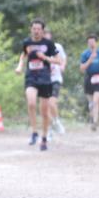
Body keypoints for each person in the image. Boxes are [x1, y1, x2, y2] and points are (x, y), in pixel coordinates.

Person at [15, 19, 58, 151]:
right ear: (31, 29)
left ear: (42, 30)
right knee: (31, 103)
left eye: (39, 29)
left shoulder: (49, 44)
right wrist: (20, 66)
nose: (36, 31)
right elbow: (23, 55)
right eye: (34, 28)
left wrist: (45, 58)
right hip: (31, 77)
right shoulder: (27, 42)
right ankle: (34, 132)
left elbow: (58, 60)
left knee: (44, 112)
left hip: (45, 78)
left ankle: (44, 137)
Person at [80, 34, 99, 131]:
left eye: (93, 41)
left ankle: (95, 121)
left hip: (98, 78)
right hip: (88, 78)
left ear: (96, 42)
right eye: (89, 42)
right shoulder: (85, 54)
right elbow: (82, 69)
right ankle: (93, 118)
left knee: (96, 100)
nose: (91, 43)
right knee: (91, 102)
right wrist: (90, 60)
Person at [43, 29, 67, 138]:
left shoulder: (57, 46)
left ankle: (56, 121)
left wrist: (62, 66)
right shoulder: (40, 48)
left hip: (56, 79)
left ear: (50, 36)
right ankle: (49, 130)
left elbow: (63, 58)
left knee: (52, 103)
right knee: (46, 107)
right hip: (44, 80)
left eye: (47, 35)